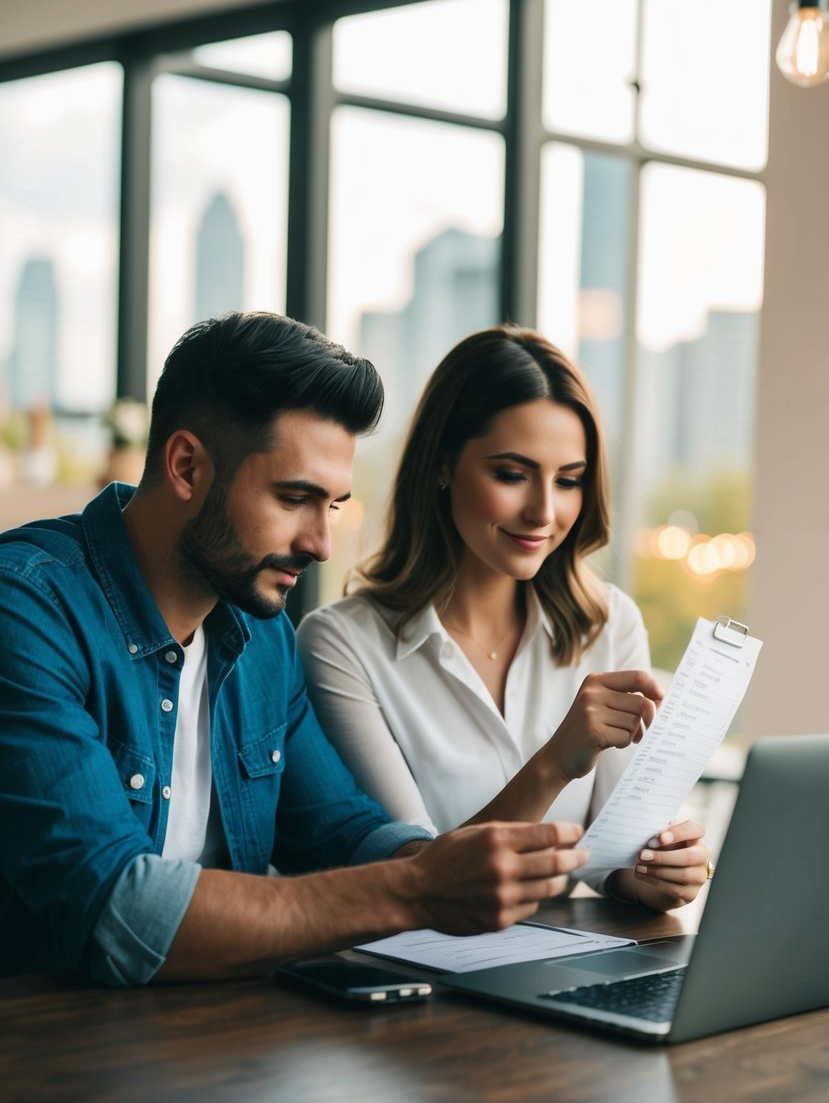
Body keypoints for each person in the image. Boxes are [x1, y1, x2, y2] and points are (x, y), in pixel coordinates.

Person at [0, 312, 590, 987]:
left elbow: (340, 833)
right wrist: (418, 889)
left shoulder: (259, 635)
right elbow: (110, 908)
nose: (320, 544)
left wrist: (449, 866)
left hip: (213, 1050)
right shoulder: (25, 609)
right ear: (186, 466)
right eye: (294, 498)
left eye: (332, 505)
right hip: (39, 1063)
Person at [297, 324, 711, 911]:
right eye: (512, 475)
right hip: (426, 977)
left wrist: (655, 871)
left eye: (568, 481)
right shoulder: (341, 644)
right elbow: (422, 878)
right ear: (442, 464)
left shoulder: (610, 624)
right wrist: (553, 763)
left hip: (572, 958)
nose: (544, 511)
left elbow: (614, 856)